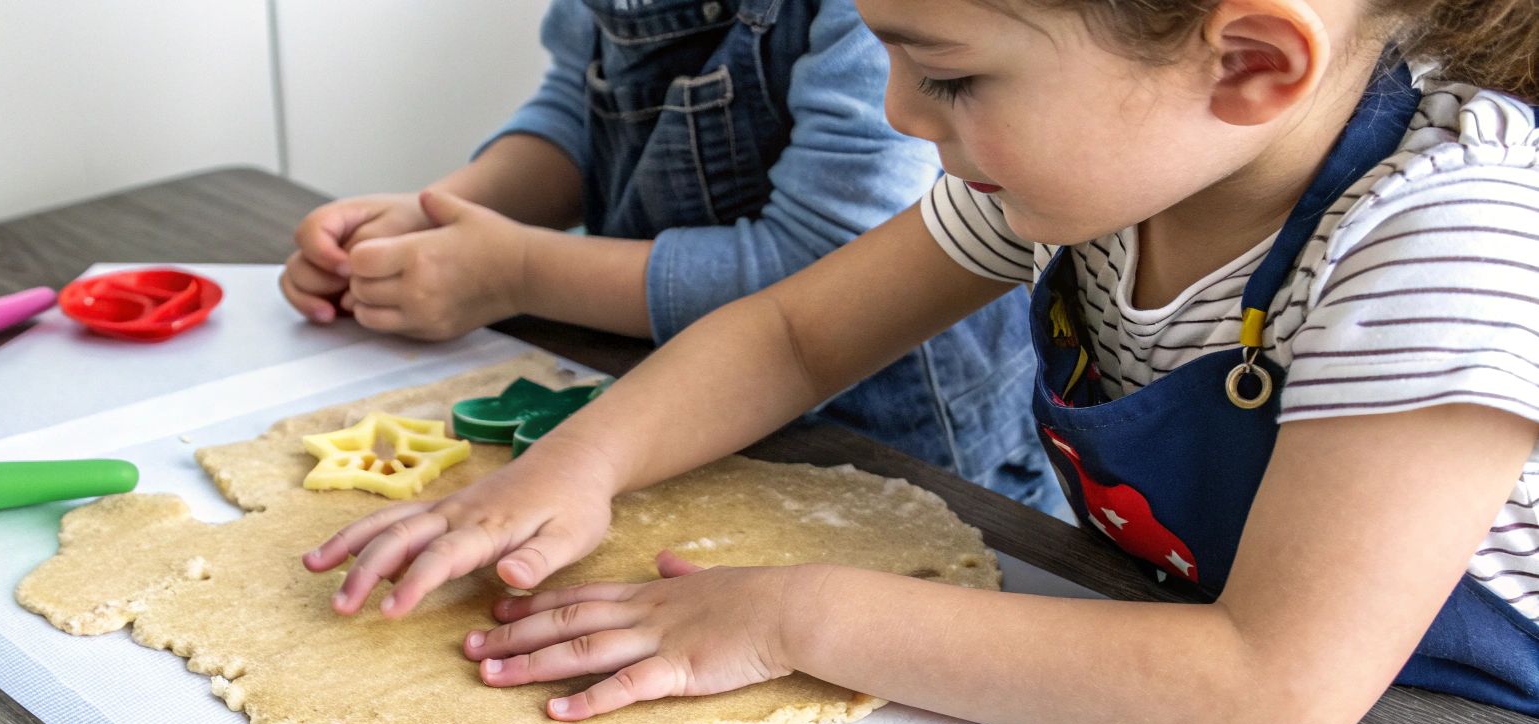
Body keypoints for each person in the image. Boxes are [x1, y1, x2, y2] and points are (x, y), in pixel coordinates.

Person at [303, 0, 1539, 724]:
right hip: (1192, 672)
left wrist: (792, 617)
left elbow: (1269, 694)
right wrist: (577, 461)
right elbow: (792, 333)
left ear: (1249, 64)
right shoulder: (1109, 166)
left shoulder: (1444, 240)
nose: (899, 111)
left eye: (946, 77)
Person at [279, 0, 1060, 512]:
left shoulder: (895, 25)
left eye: (943, 80)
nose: (904, 107)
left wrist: (514, 271)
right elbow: (581, 112)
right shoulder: (999, 207)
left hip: (902, 454)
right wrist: (447, 215)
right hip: (674, 399)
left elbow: (826, 273)